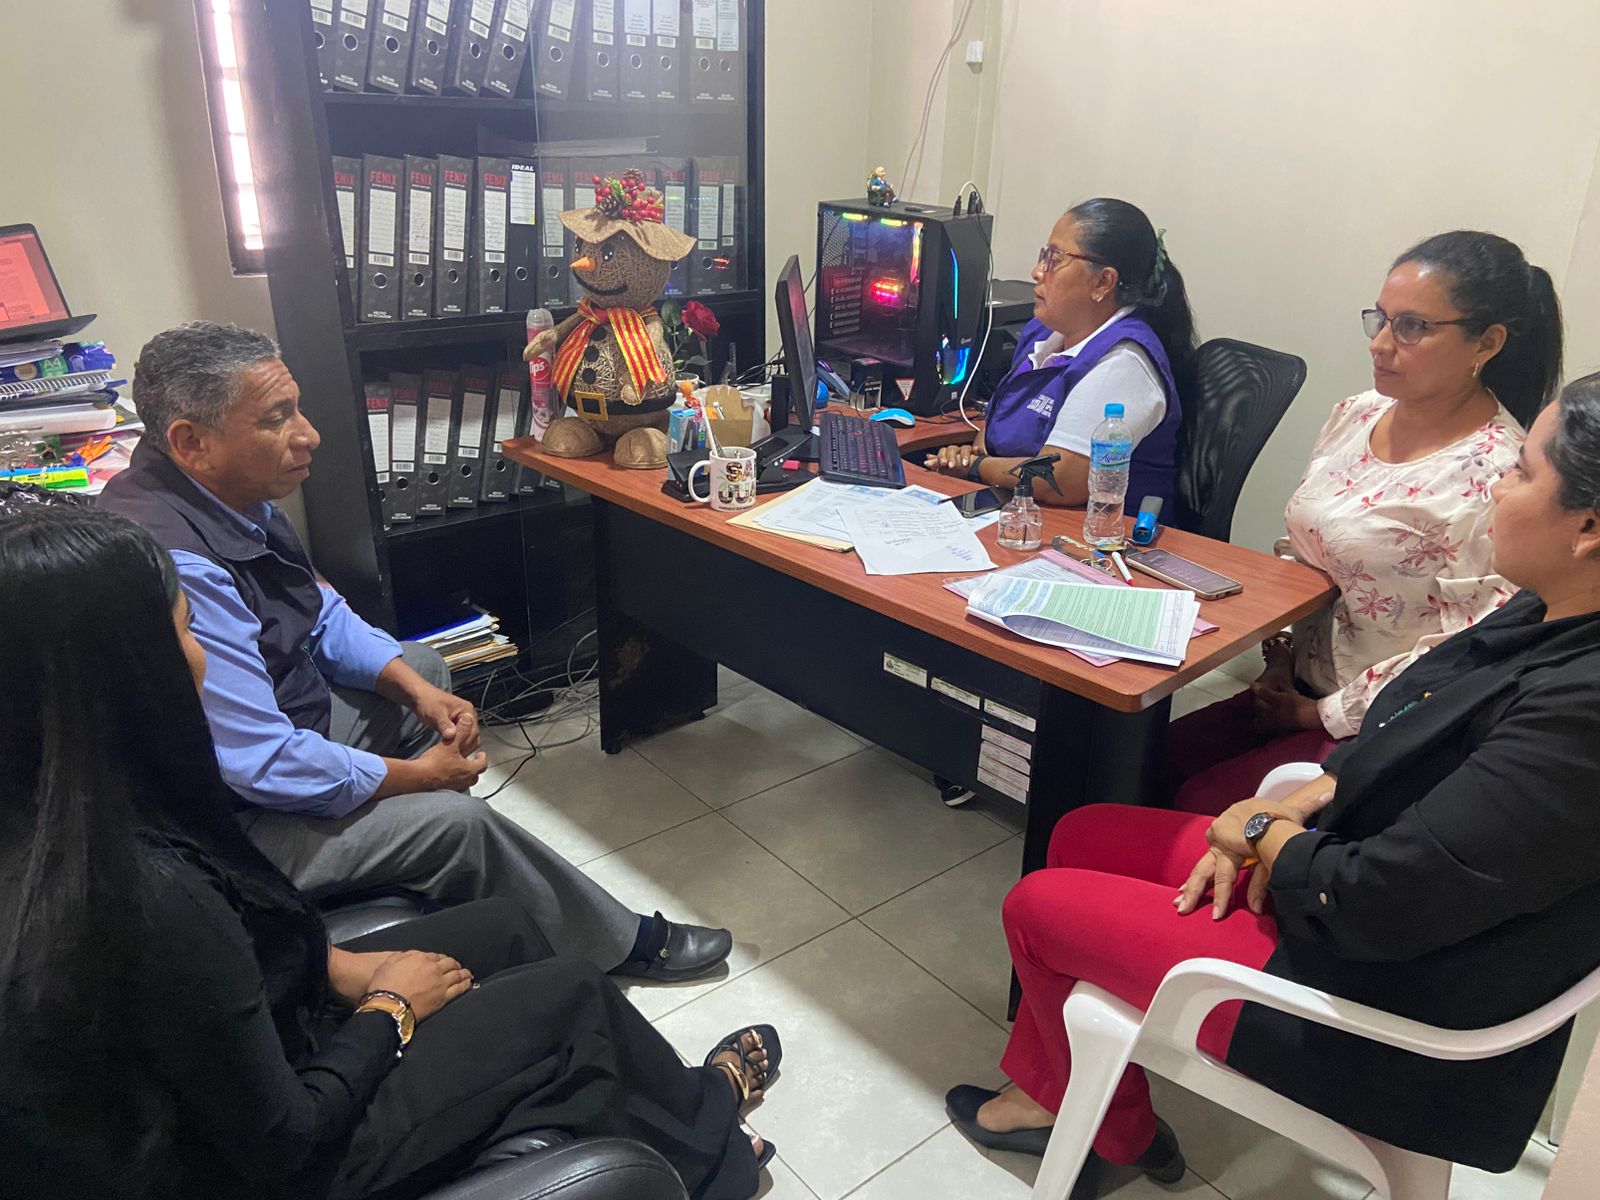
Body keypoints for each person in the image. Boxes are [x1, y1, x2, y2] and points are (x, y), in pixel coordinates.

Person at [0, 497, 785, 1200]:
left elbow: (237, 973)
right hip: (298, 1160)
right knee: (572, 996)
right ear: (122, 675)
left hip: (278, 1049)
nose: (204, 656)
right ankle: (715, 1148)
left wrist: (331, 966)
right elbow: (283, 1142)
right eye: (185, 632)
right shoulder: (145, 893)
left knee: (507, 927)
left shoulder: (78, 806)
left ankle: (669, 1114)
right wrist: (390, 1010)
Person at [945, 373, 1600, 1197]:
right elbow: (1406, 732)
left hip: (1377, 998)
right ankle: (1064, 1099)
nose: (1500, 483)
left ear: (1588, 527)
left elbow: (1377, 899)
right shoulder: (1544, 613)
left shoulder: (1579, 716)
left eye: (1524, 472)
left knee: (1037, 906)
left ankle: (1112, 1130)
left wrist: (1262, 833)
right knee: (1081, 833)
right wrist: (1289, 802)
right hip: (1350, 884)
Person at [97, 322, 730, 981]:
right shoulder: (182, 566)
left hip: (271, 740)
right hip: (233, 828)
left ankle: (445, 866)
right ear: (191, 443)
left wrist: (418, 691)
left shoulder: (222, 495)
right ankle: (621, 944)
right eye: (276, 420)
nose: (309, 435)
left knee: (420, 668)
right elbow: (263, 764)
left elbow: (320, 615)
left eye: (297, 409)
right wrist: (419, 779)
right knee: (459, 824)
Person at [1167, 230, 1563, 815]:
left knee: (1195, 806)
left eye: (1411, 327)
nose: (1380, 344)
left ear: (1487, 342)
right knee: (1142, 760)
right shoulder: (1358, 413)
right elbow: (1307, 547)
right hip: (1293, 683)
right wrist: (1280, 657)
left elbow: (1462, 654)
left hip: (1380, 722)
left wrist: (1314, 715)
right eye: (1380, 319)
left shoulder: (1495, 474)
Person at [923, 197, 1197, 511]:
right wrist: (968, 456)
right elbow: (995, 429)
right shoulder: (1044, 334)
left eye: (1054, 259)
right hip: (1018, 510)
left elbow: (1061, 478)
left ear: (1103, 282)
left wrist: (977, 467)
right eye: (1044, 256)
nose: (1037, 272)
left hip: (1098, 530)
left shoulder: (1124, 361)